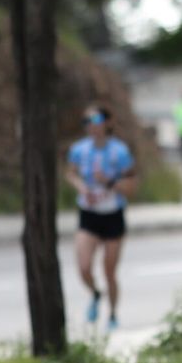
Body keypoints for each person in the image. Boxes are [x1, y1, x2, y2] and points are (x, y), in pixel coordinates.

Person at [64, 105, 137, 332]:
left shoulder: (119, 152)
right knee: (84, 267)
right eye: (86, 121)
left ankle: (113, 314)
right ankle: (95, 293)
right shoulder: (79, 150)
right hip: (89, 214)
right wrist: (81, 187)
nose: (91, 126)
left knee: (109, 271)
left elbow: (132, 184)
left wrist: (109, 182)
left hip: (113, 214)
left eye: (95, 120)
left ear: (106, 122)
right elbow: (70, 173)